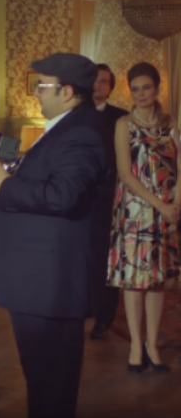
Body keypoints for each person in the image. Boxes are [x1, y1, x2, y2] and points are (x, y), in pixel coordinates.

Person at [0, 53, 105, 418]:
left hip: (52, 284)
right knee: (42, 382)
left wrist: (5, 186)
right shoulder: (62, 129)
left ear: (66, 92)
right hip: (38, 282)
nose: (36, 92)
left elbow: (61, 196)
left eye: (42, 86)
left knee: (51, 385)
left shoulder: (81, 133)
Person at [107, 62, 180, 373]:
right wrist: (160, 205)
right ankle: (136, 345)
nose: (141, 94)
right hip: (135, 212)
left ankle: (153, 345)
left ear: (157, 88)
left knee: (157, 280)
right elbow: (125, 173)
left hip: (166, 211)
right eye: (135, 89)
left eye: (146, 87)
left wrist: (176, 202)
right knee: (135, 280)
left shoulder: (170, 123)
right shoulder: (124, 124)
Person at [89, 64, 128, 340]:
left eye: (104, 81)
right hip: (80, 197)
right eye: (95, 80)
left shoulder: (121, 118)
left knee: (107, 258)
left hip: (111, 197)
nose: (98, 85)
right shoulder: (75, 114)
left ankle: (103, 317)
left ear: (111, 87)